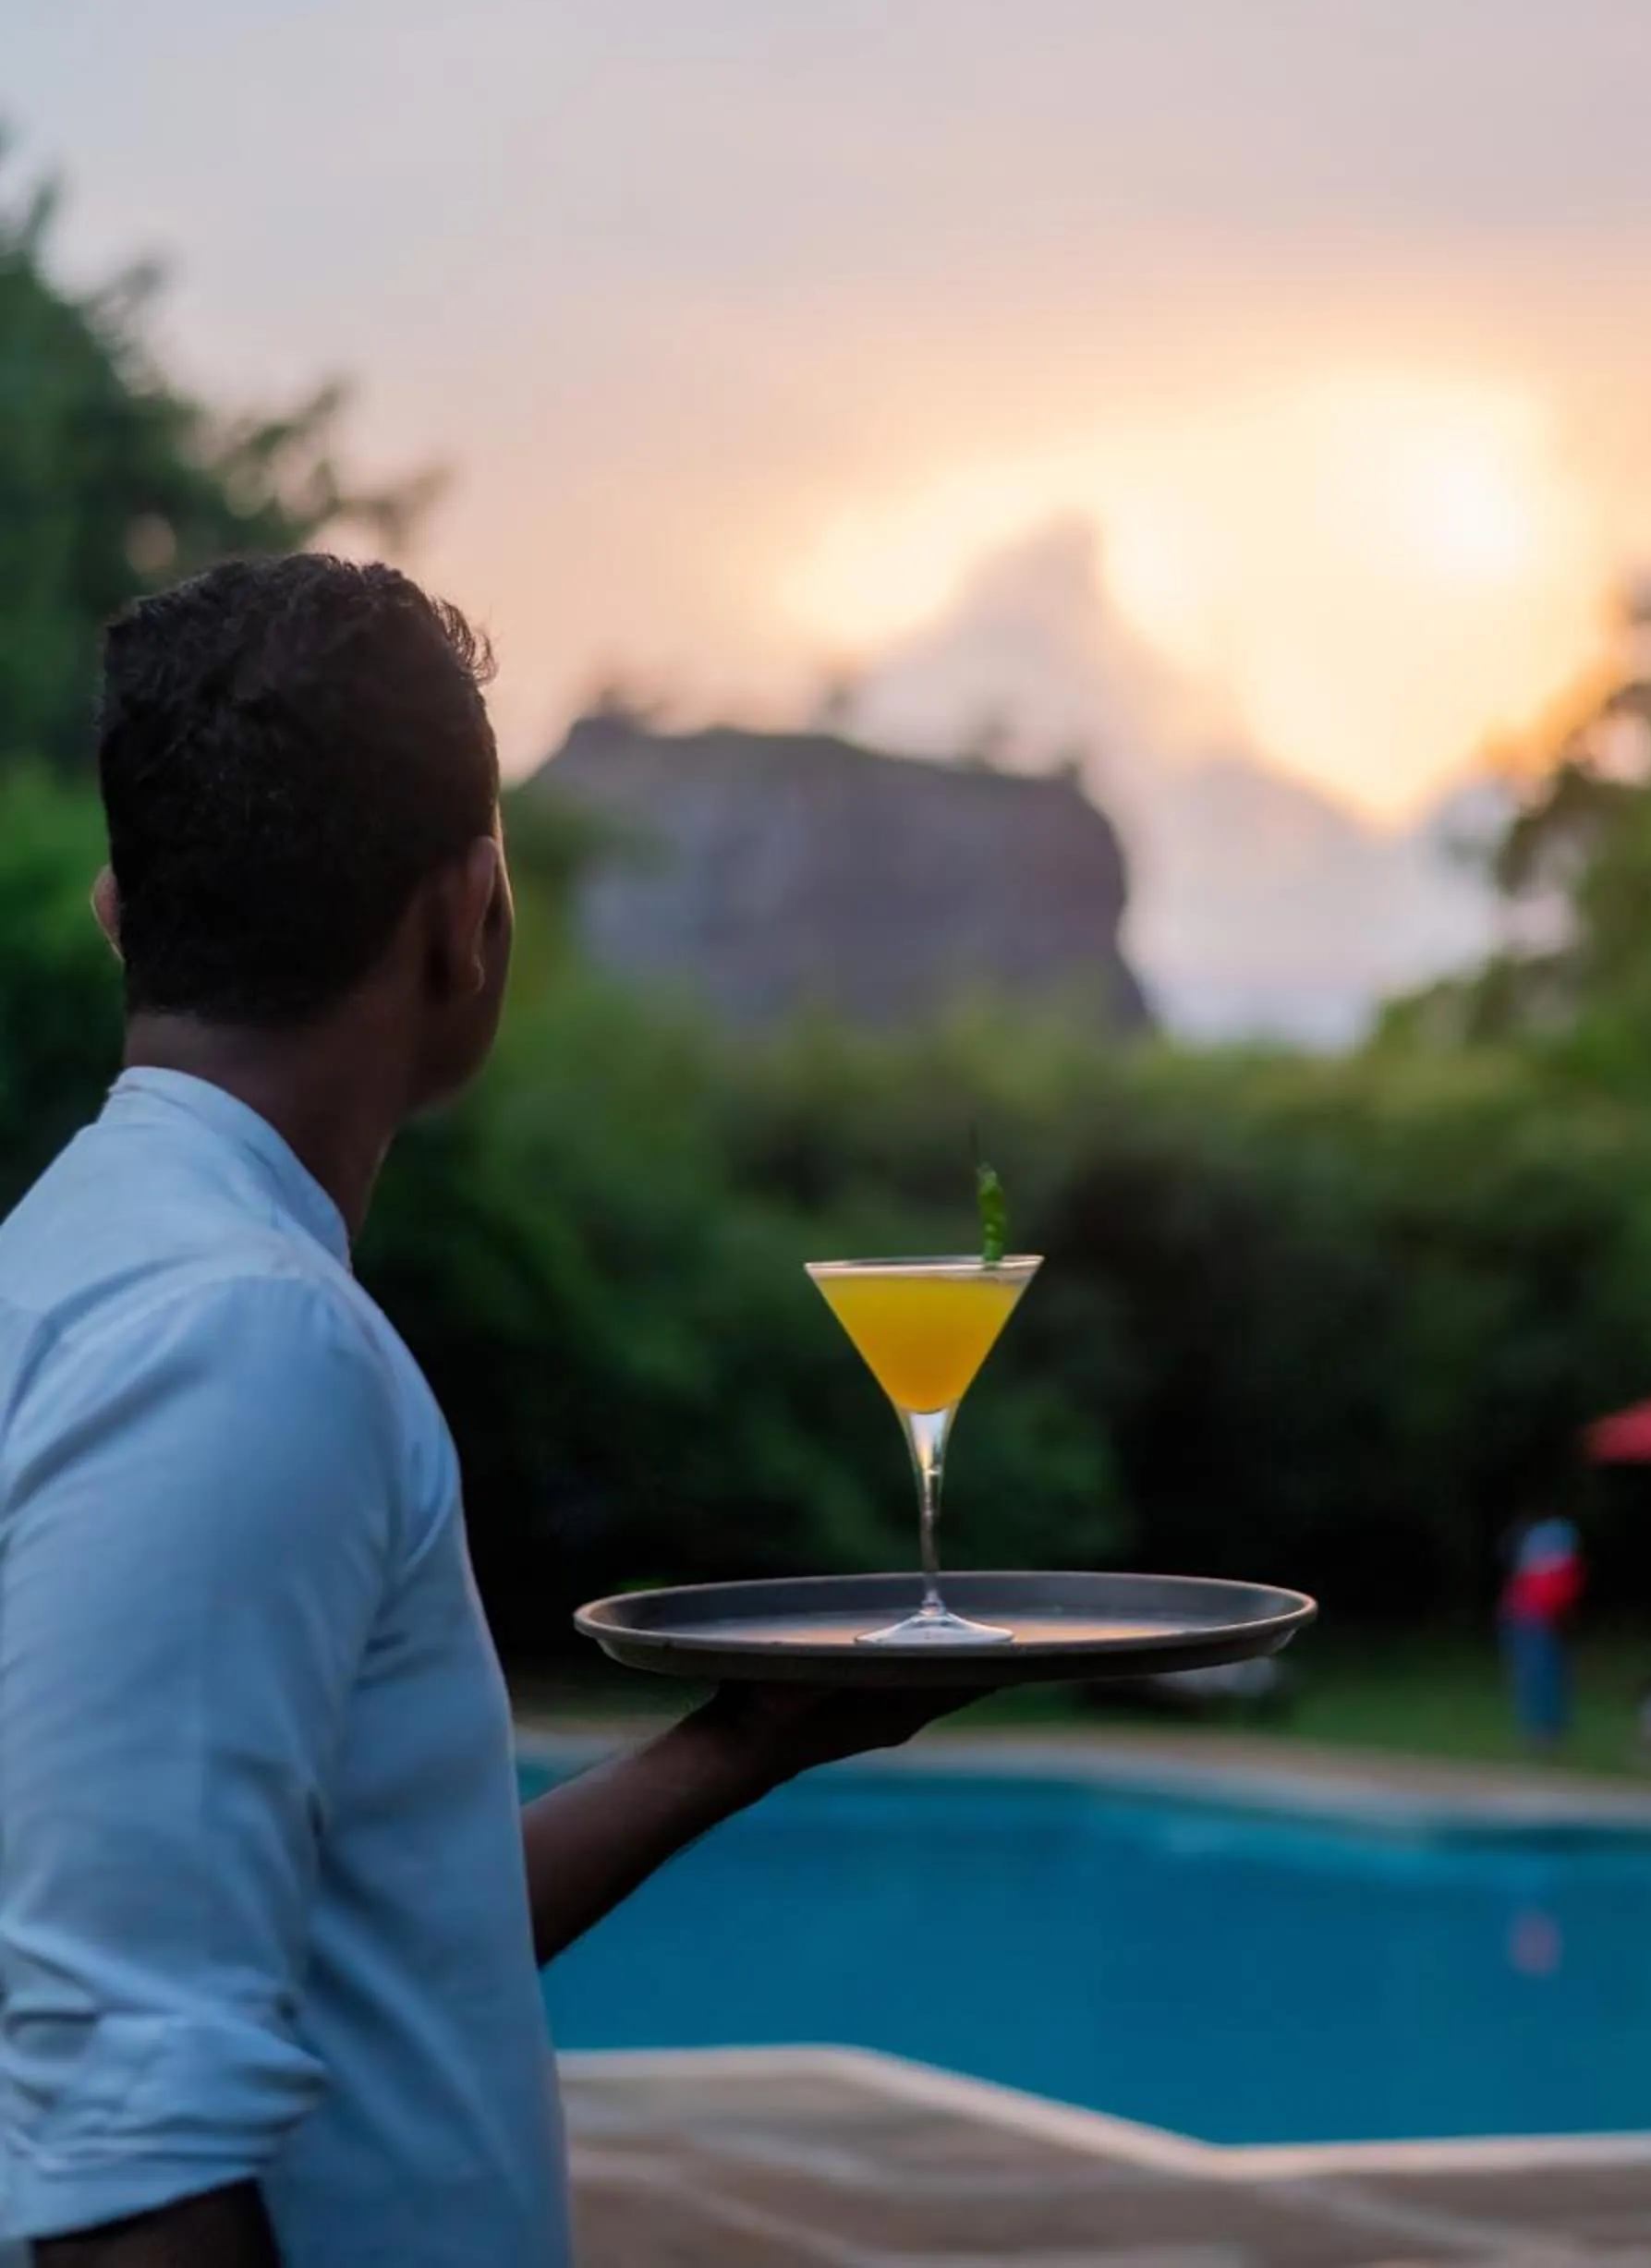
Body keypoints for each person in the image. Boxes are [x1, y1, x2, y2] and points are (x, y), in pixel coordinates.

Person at [0, 557, 966, 2268]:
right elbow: (122, 2148)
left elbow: (365, 1947)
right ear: (470, 917)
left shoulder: (86, 1261)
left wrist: (741, 1744)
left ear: (115, 911)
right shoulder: (243, 1344)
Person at [1498, 1513, 1583, 1748]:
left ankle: (1547, 1731)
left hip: (1538, 1622)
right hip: (1530, 1621)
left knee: (1543, 1678)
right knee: (1536, 1677)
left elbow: (1559, 1598)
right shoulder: (1548, 1565)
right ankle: (1542, 1730)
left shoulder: (1553, 1565)